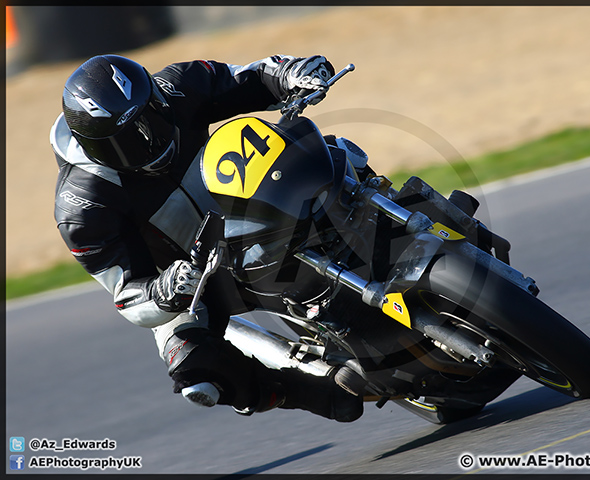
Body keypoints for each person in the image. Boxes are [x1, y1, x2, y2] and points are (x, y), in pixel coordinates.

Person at [51, 53, 364, 422]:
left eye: (151, 118)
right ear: (91, 146)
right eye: (124, 143)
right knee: (192, 368)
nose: (150, 142)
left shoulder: (179, 85)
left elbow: (251, 75)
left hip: (262, 205)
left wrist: (292, 73)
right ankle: (311, 391)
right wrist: (163, 289)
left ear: (156, 98)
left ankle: (422, 218)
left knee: (335, 152)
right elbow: (127, 295)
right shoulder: (83, 206)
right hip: (196, 276)